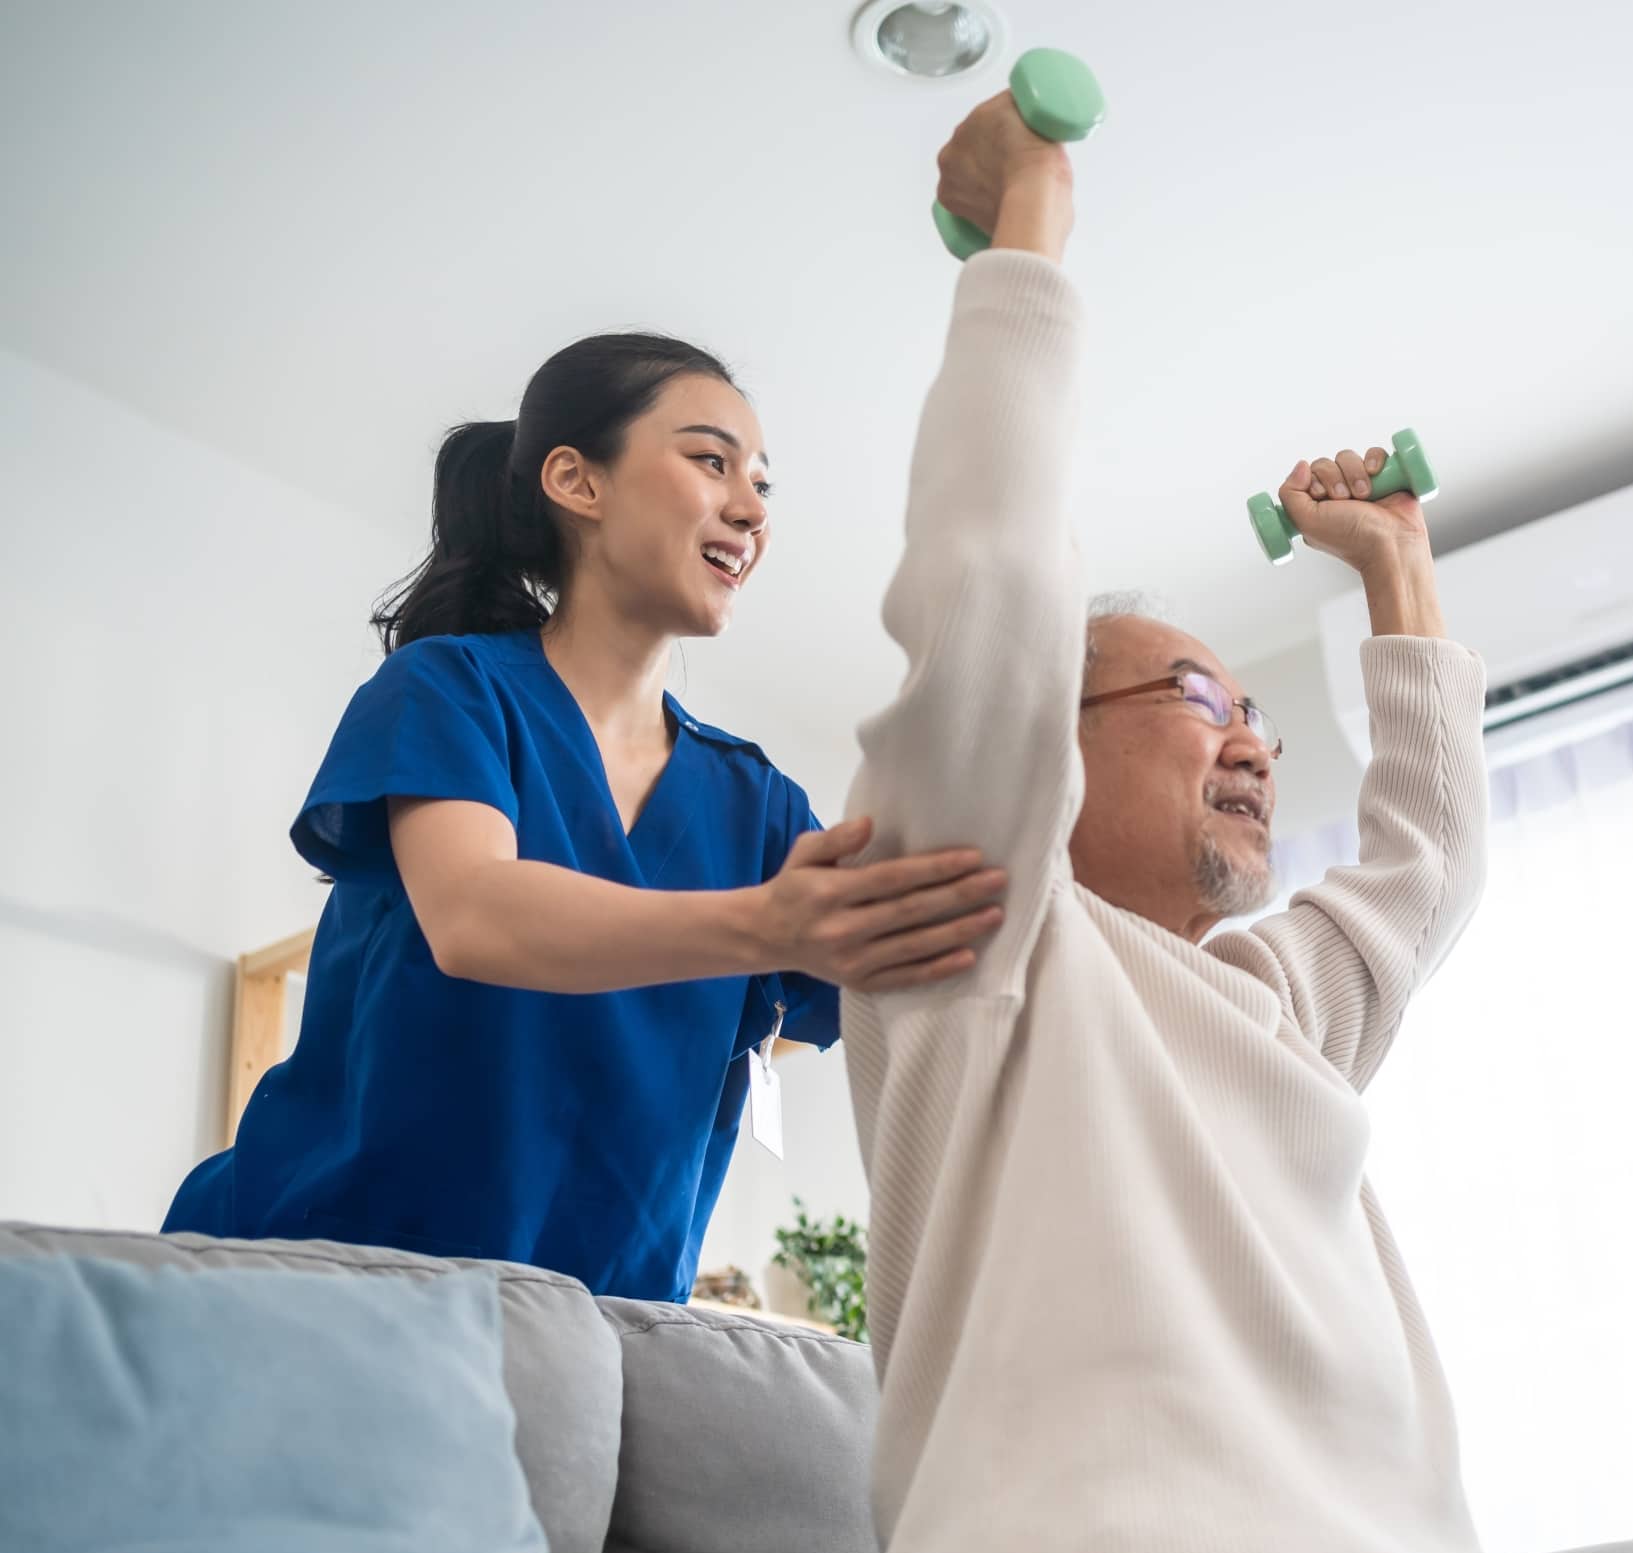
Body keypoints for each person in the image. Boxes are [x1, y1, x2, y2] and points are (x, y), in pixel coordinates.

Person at [835, 97, 1633, 1553]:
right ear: (1041, 736)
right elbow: (985, 600)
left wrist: (1392, 563)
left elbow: (1424, 859)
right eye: (1194, 695)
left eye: (1259, 712)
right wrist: (1024, 252)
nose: (1250, 737)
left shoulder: (1273, 1004)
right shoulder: (963, 947)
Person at [162, 333, 1007, 1301]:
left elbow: (834, 1007)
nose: (750, 508)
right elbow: (475, 913)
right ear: (576, 481)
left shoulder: (761, 807)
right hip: (317, 1280)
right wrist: (764, 925)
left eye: (763, 485)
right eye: (711, 460)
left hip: (594, 1332)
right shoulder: (450, 691)